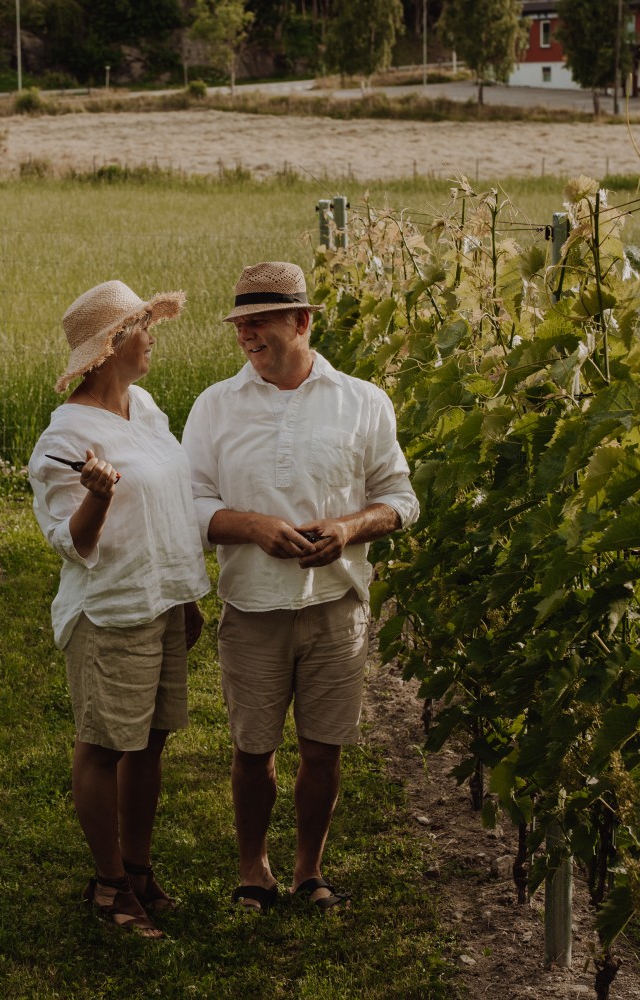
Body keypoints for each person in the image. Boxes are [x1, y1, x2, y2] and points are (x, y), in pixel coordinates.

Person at [182, 261, 418, 914]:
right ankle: (253, 870)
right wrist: (252, 527)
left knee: (323, 751)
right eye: (240, 324)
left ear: (303, 321)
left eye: (259, 322)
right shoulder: (214, 407)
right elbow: (192, 504)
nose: (246, 335)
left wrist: (349, 528)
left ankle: (308, 871)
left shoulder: (362, 402)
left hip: (335, 607)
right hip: (252, 607)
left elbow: (400, 498)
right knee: (252, 751)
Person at [27, 279, 210, 938]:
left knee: (150, 739)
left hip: (158, 599)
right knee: (105, 744)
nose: (151, 336)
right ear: (108, 349)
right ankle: (108, 886)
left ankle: (136, 867)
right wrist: (97, 497)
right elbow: (71, 543)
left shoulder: (145, 406)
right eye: (140, 327)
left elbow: (170, 506)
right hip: (110, 609)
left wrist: (186, 595)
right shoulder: (66, 437)